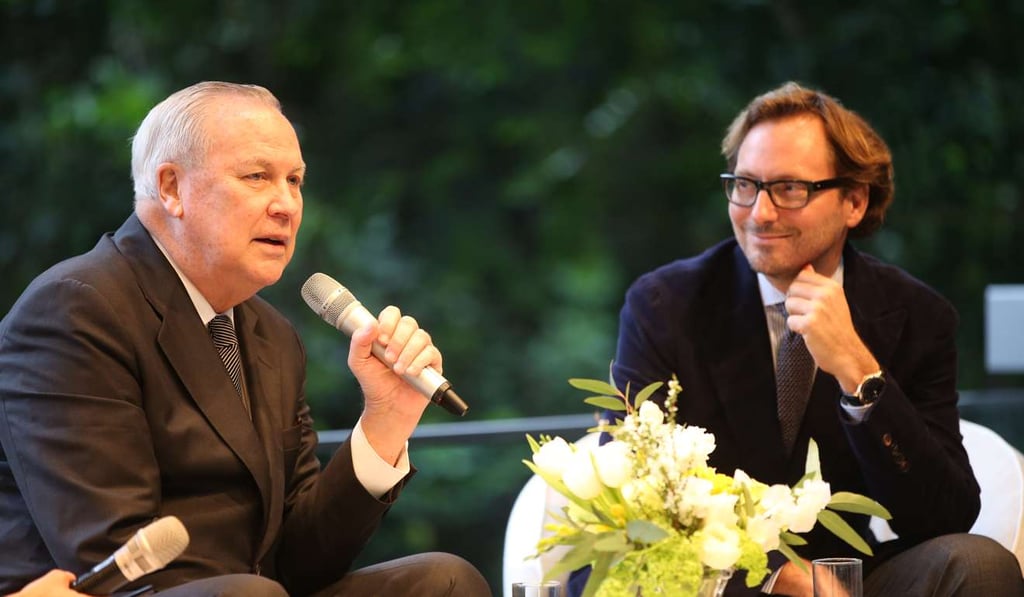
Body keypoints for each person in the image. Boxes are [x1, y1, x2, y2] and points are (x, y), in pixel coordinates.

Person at [0, 81, 490, 597]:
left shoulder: (271, 336)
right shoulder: (77, 307)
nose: (287, 205)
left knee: (444, 580)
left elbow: (302, 561)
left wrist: (386, 421)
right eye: (258, 177)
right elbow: (116, 560)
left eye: (295, 180)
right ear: (171, 188)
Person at [569, 82, 1024, 596]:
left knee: (978, 564)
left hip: (847, 582)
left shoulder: (917, 316)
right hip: (710, 581)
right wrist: (769, 575)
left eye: (789, 189)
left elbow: (943, 516)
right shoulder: (665, 306)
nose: (759, 213)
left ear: (854, 200)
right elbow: (627, 505)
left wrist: (858, 371)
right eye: (745, 185)